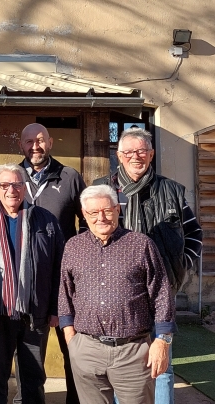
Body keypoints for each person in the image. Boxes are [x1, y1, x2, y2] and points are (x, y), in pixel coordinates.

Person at [94, 127, 203, 404]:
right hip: (119, 296)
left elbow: (195, 234)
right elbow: (88, 237)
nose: (135, 157)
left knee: (160, 365)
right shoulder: (101, 190)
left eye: (141, 151)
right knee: (121, 366)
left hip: (160, 293)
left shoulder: (173, 191)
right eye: (128, 152)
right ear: (119, 156)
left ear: (151, 154)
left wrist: (181, 264)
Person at [59, 184, 177, 404]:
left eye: (106, 210)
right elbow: (65, 293)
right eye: (93, 212)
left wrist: (162, 342)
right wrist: (72, 341)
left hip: (132, 352)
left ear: (117, 209)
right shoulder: (73, 247)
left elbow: (162, 294)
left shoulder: (141, 245)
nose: (101, 217)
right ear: (84, 214)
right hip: (87, 349)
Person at [0, 163, 64, 404]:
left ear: (25, 187)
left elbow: (59, 267)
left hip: (35, 314)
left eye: (17, 184)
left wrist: (56, 309)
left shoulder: (46, 221)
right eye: (5, 185)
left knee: (33, 379)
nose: (11, 190)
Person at [18, 123, 86, 404]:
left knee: (74, 354)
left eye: (41, 140)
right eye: (29, 141)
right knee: (31, 358)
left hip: (67, 282)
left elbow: (88, 221)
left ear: (51, 142)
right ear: (20, 144)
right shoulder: (12, 177)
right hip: (28, 283)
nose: (35, 146)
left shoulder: (70, 176)